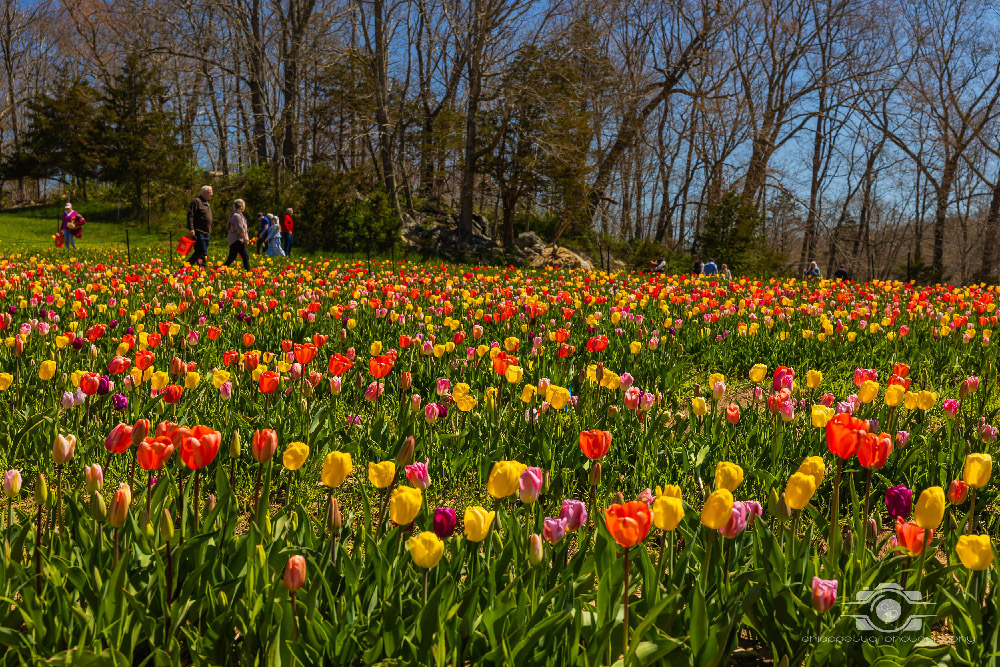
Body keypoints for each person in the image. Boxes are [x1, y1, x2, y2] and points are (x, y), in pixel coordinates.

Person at [186, 185, 214, 266]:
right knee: (200, 251)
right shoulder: (196, 201)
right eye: (209, 192)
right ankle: (186, 266)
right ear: (203, 193)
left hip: (206, 233)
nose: (211, 194)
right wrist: (191, 229)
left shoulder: (206, 203)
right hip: (198, 232)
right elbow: (190, 216)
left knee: (204, 253)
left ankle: (201, 270)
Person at [223, 199, 251, 270]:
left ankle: (249, 272)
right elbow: (240, 229)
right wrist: (245, 238)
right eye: (244, 205)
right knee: (232, 257)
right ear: (241, 206)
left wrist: (246, 238)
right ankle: (222, 270)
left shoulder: (241, 216)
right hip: (236, 240)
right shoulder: (236, 216)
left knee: (245, 257)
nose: (245, 207)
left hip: (241, 240)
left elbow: (245, 228)